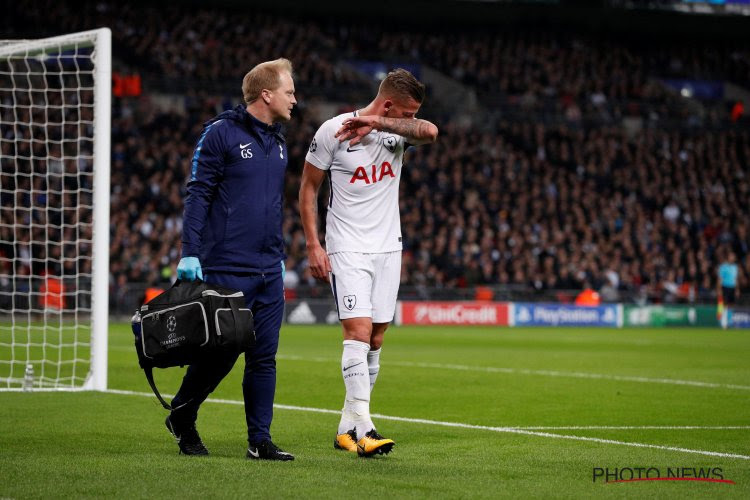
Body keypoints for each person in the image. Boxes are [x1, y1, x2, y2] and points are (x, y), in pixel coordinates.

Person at [299, 69, 438, 457]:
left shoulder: (396, 131)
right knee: (358, 332)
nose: (410, 120)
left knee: (375, 339)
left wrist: (378, 122)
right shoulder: (334, 130)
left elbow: (431, 133)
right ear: (391, 102)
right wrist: (313, 243)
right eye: (408, 112)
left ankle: (347, 428)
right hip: (347, 247)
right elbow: (308, 187)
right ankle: (366, 427)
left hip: (388, 247)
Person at [166, 58, 296, 460]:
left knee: (264, 357)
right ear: (267, 94)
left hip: (269, 270)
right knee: (218, 357)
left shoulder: (278, 143)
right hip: (226, 268)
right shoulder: (220, 133)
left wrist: (278, 256)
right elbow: (198, 193)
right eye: (290, 92)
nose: (296, 99)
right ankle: (182, 416)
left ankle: (259, 441)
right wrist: (190, 253)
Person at [717, 250, 740, 329]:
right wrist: (719, 289)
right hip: (725, 287)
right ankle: (723, 321)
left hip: (732, 287)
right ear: (728, 257)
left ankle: (729, 322)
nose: (733, 258)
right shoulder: (723, 267)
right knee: (724, 305)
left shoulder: (735, 267)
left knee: (731, 305)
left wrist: (737, 289)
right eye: (731, 256)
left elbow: (736, 279)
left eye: (734, 256)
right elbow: (720, 279)